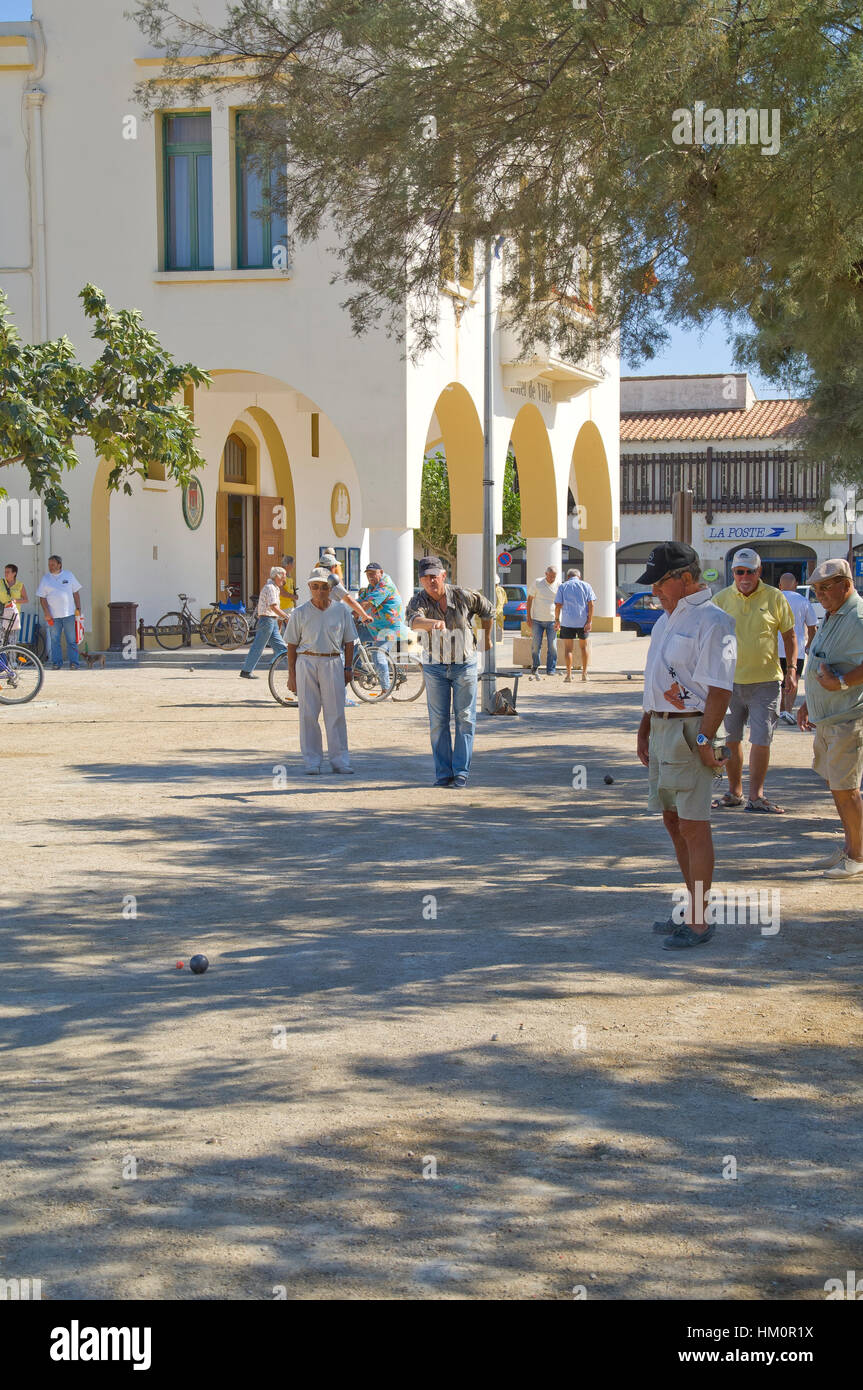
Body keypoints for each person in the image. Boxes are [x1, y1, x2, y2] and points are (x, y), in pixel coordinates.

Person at [635, 543, 736, 950]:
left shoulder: (715, 621)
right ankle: (691, 909)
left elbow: (720, 691)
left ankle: (699, 920)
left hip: (692, 730)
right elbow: (654, 683)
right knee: (673, 821)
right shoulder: (665, 621)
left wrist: (703, 740)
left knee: (694, 825)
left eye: (660, 582)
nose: (655, 590)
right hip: (663, 729)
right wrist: (644, 728)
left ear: (687, 578)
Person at [712, 548, 796, 813]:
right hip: (728, 684)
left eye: (750, 571)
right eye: (739, 572)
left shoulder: (775, 597)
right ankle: (734, 793)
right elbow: (707, 638)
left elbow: (790, 636)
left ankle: (756, 797)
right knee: (731, 740)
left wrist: (792, 669)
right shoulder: (720, 599)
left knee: (761, 739)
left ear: (759, 572)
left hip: (766, 682)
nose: (745, 577)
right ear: (733, 573)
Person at [797, 559, 863, 877]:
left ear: (846, 585)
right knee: (837, 786)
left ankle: (857, 857)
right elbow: (822, 659)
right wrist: (809, 702)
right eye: (816, 589)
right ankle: (851, 849)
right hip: (828, 718)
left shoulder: (858, 615)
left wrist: (841, 683)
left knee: (846, 788)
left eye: (826, 587)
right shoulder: (834, 613)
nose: (820, 594)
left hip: (847, 718)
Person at [406, 556, 494, 788]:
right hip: (435, 667)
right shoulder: (419, 599)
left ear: (443, 576)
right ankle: (443, 774)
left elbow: (488, 609)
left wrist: (487, 637)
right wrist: (430, 623)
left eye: (434, 576)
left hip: (464, 664)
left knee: (465, 719)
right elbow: (413, 620)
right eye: (425, 577)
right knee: (438, 722)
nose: (430, 581)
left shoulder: (463, 595)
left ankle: (461, 772)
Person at [285, 568, 357, 774]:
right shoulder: (299, 613)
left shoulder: (341, 611)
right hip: (306, 661)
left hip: (333, 661)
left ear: (330, 588)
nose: (319, 591)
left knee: (336, 713)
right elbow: (291, 644)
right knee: (308, 713)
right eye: (315, 587)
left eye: (324, 587)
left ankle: (340, 760)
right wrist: (292, 675)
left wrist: (348, 667)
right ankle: (312, 761)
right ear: (309, 588)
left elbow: (349, 641)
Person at [356, 561, 404, 690]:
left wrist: (356, 612)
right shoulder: (370, 587)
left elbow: (367, 604)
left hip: (389, 627)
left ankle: (385, 690)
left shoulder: (385, 585)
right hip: (374, 627)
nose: (370, 577)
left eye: (373, 574)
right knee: (353, 636)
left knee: (378, 654)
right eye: (368, 574)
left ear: (381, 573)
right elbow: (359, 602)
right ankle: (357, 668)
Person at [777, 572, 817, 723]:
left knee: (778, 681)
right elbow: (812, 628)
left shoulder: (773, 599)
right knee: (793, 679)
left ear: (780, 586)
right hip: (796, 649)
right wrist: (808, 645)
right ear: (796, 585)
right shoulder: (803, 601)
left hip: (775, 648)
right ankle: (787, 711)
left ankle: (779, 710)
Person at [240, 566, 289, 680]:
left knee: (281, 647)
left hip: (271, 620)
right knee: (259, 645)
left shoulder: (274, 587)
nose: (285, 579)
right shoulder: (271, 588)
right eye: (284, 576)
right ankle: (246, 670)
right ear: (277, 576)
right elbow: (273, 606)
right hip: (267, 619)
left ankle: (293, 668)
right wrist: (285, 616)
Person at [36, 555, 83, 670]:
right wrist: (47, 613)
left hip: (69, 614)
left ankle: (74, 663)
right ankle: (57, 663)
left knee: (72, 640)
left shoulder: (69, 575)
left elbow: (76, 593)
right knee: (54, 640)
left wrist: (78, 608)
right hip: (53, 616)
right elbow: (42, 598)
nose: (50, 567)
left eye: (52, 564)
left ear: (59, 565)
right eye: (49, 564)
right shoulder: (46, 578)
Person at [554, 568, 595, 682]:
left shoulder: (563, 586)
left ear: (568, 577)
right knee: (584, 647)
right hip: (583, 621)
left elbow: (558, 605)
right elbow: (591, 604)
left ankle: (568, 675)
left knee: (568, 649)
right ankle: (584, 674)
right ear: (579, 577)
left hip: (567, 621)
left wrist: (557, 620)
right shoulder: (586, 586)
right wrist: (589, 621)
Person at [526, 565, 559, 679]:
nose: (552, 579)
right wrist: (528, 617)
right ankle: (535, 666)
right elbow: (529, 599)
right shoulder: (537, 582)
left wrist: (559, 620)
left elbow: (560, 604)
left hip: (552, 620)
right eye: (550, 577)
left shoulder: (558, 585)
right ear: (546, 574)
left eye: (554, 577)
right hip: (537, 620)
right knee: (536, 645)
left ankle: (551, 669)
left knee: (553, 646)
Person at [0, 563, 28, 643]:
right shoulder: (1, 583)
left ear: (14, 573)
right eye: (5, 572)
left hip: (12, 616)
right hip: (1, 615)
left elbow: (25, 599)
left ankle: (12, 655)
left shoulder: (20, 585)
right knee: (1, 641)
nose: (6, 574)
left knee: (12, 641)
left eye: (8, 572)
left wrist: (16, 601)